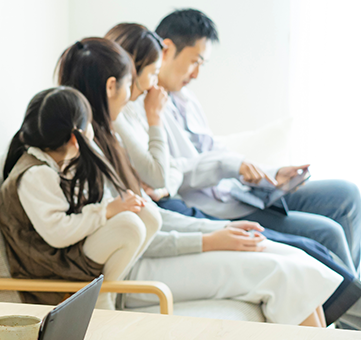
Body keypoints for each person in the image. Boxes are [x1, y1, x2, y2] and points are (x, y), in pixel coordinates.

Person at [55, 37, 338, 326]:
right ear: (111, 86)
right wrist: (209, 240)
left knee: (298, 262)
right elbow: (133, 234)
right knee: (284, 274)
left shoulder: (106, 136)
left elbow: (150, 214)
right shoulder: (82, 154)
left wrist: (220, 228)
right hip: (133, 269)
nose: (133, 96)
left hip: (151, 252)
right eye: (130, 85)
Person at [144, 8, 361, 277]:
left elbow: (214, 149)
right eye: (194, 61)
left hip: (239, 193)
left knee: (346, 194)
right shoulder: (145, 109)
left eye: (202, 64)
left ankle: (347, 308)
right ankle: (353, 312)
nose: (197, 74)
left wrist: (269, 174)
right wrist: (233, 165)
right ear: (166, 49)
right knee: (328, 233)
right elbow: (168, 173)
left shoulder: (183, 98)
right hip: (218, 210)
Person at [0, 85, 162, 311]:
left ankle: (107, 293)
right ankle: (100, 300)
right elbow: (58, 233)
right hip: (53, 268)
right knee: (130, 225)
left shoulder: (63, 160)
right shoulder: (36, 174)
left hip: (71, 251)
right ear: (76, 138)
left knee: (148, 215)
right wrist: (105, 211)